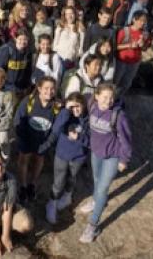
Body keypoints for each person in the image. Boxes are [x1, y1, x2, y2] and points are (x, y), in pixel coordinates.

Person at [79, 83, 132, 243]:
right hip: (96, 152)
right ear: (96, 96)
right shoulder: (91, 104)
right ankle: (96, 200)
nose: (108, 101)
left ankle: (93, 225)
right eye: (104, 97)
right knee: (96, 180)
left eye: (111, 98)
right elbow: (77, 101)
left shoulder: (118, 116)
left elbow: (126, 140)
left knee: (102, 189)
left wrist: (124, 159)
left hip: (112, 156)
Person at [38, 93, 89, 224]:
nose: (75, 110)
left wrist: (80, 138)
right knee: (58, 181)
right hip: (62, 154)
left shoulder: (88, 119)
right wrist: (66, 110)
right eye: (72, 107)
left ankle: (67, 197)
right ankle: (52, 203)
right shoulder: (65, 115)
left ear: (83, 105)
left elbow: (93, 141)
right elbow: (56, 128)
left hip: (78, 156)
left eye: (78, 106)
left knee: (72, 177)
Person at [13, 77, 59, 203]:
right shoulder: (28, 102)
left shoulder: (56, 106)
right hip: (26, 139)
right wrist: (22, 138)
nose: (49, 91)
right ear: (39, 89)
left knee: (39, 161)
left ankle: (32, 184)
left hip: (43, 142)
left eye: (52, 89)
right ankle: (23, 186)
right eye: (46, 88)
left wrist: (48, 143)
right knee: (24, 161)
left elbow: (56, 128)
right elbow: (18, 119)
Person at [113, 11, 151, 96]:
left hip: (134, 63)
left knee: (127, 83)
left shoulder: (145, 34)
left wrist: (142, 45)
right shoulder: (124, 31)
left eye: (144, 21)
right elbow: (116, 47)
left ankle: (119, 98)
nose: (142, 23)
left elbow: (145, 48)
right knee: (115, 82)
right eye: (140, 20)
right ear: (134, 20)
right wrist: (129, 45)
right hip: (121, 61)